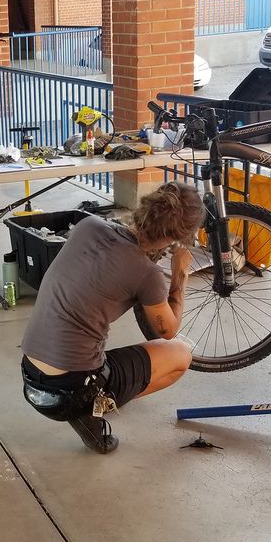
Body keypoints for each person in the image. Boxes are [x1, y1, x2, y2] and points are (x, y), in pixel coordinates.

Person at [19, 183, 205, 454]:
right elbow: (168, 330)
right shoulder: (147, 275)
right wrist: (180, 275)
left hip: (31, 375)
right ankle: (94, 408)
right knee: (181, 355)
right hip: (72, 390)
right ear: (180, 236)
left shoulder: (88, 226)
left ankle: (95, 398)